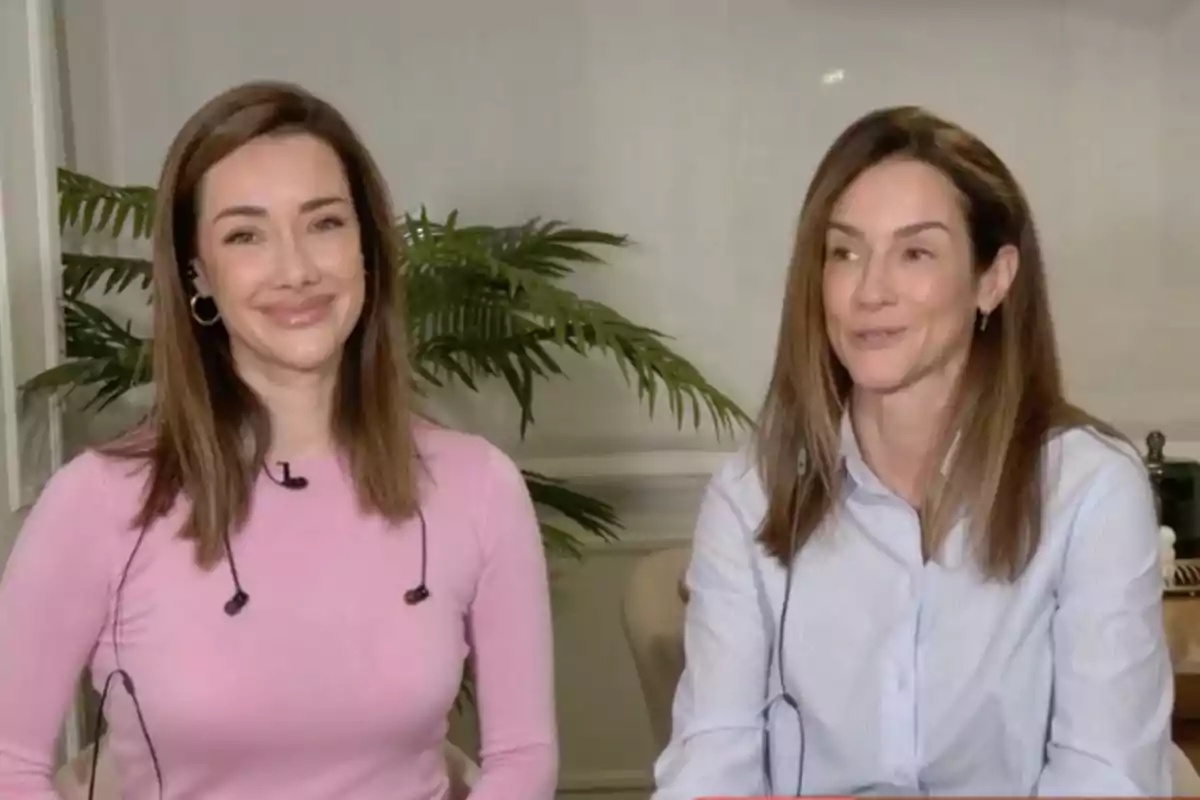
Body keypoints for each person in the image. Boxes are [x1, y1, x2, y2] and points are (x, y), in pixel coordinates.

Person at [0, 81, 557, 799]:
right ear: (198, 273)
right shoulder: (98, 503)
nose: (296, 270)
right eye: (245, 234)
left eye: (324, 223)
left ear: (368, 249)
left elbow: (522, 758)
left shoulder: (478, 487)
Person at [652, 106, 1172, 798]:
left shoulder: (1090, 491)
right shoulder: (751, 494)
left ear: (993, 279)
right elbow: (708, 768)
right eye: (844, 252)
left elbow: (1106, 779)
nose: (870, 291)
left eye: (915, 253)